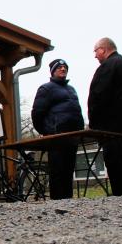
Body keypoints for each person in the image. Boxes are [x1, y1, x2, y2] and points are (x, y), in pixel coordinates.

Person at [88, 37, 122, 196]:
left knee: (117, 163)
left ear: (103, 49)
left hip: (111, 127)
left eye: (96, 51)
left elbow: (98, 96)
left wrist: (94, 125)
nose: (95, 56)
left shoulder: (108, 66)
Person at [31, 59, 85, 200]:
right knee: (58, 171)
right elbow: (37, 113)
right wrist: (46, 131)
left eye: (65, 67)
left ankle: (68, 201)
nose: (63, 69)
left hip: (72, 137)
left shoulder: (71, 89)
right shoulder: (46, 89)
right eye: (59, 67)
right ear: (53, 71)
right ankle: (57, 202)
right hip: (56, 138)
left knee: (68, 171)